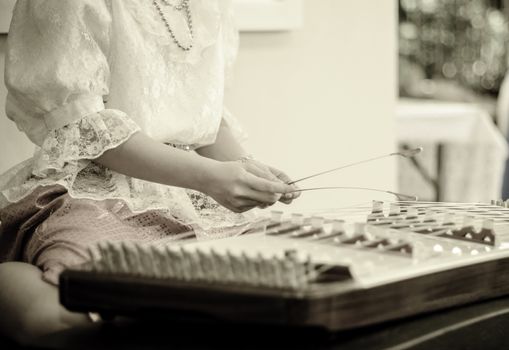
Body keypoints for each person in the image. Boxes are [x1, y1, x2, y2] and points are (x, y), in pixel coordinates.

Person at [0, 0, 299, 343]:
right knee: (76, 316)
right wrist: (210, 178)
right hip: (99, 189)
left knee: (265, 290)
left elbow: (203, 119)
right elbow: (83, 126)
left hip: (193, 189)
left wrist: (247, 170)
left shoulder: (209, 6)